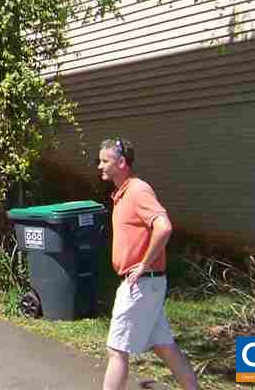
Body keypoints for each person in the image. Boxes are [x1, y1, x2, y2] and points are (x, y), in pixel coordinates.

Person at [98, 137, 198, 390]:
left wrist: (143, 263)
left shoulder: (137, 190)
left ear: (121, 163)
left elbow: (163, 227)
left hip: (140, 284)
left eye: (104, 161)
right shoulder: (122, 195)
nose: (99, 166)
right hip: (147, 285)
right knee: (165, 347)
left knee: (116, 349)